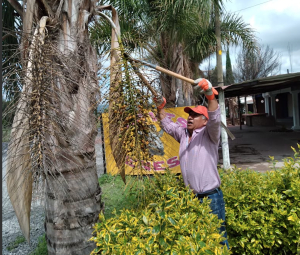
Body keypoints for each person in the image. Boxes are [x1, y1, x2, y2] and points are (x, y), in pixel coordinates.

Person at [154, 78, 229, 249]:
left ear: (204, 121)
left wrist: (209, 93)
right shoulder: (182, 135)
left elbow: (215, 118)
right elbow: (166, 124)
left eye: (196, 115)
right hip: (192, 198)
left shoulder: (209, 135)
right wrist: (160, 107)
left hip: (211, 198)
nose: (190, 117)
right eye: (189, 114)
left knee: (218, 239)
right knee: (198, 241)